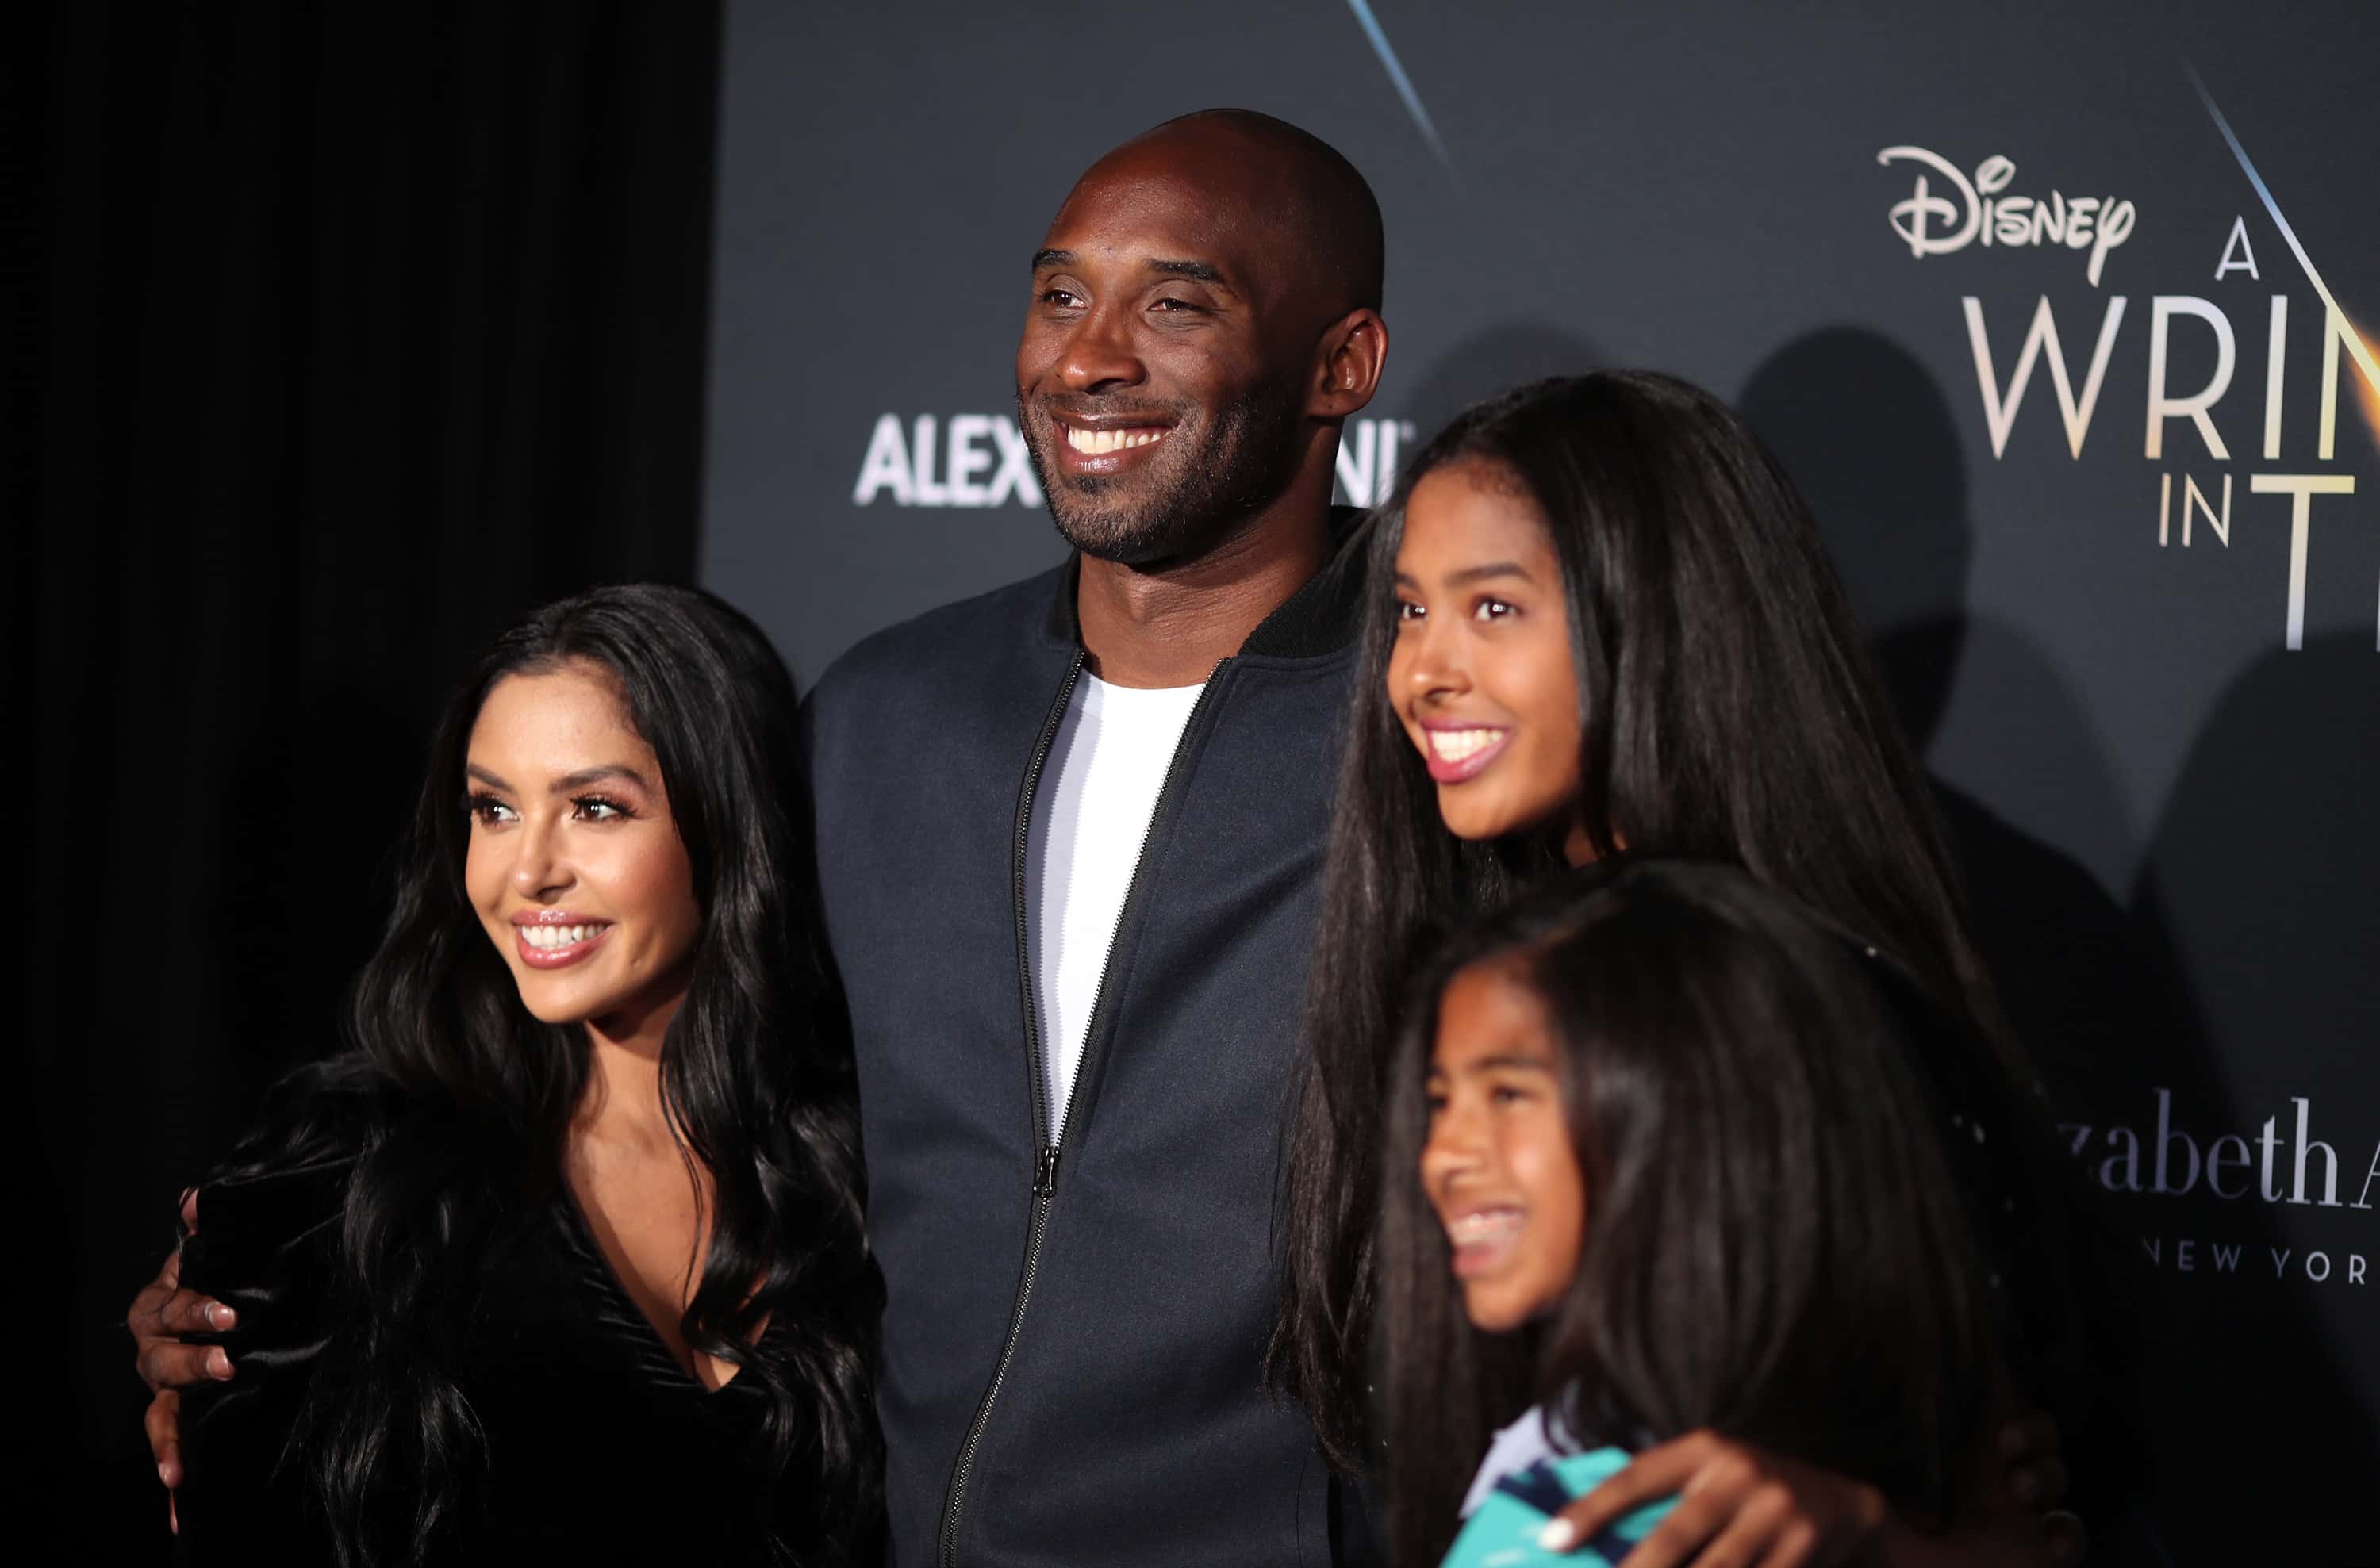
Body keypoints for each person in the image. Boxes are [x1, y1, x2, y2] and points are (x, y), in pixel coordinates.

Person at [140, 109, 1395, 1564]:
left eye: (1174, 303)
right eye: (1060, 294)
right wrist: (282, 1264)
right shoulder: (885, 714)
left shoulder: (1440, 726)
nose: (1089, 356)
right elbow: (699, 1030)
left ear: (1343, 365)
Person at [1274, 373, 2094, 1559]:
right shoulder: (1464, 959)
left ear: (1651, 614)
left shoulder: (1818, 1000)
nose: (1422, 674)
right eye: (1408, 611)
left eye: (1492, 609)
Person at [148, 585, 881, 1564]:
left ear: (729, 824)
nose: (526, 870)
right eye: (492, 809)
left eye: (594, 808)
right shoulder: (347, 1173)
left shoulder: (870, 1167)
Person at [1394, 861, 2054, 1568]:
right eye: (1440, 1102)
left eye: (1508, 1095)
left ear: (1687, 1118)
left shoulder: (1576, 1528)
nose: (1443, 1156)